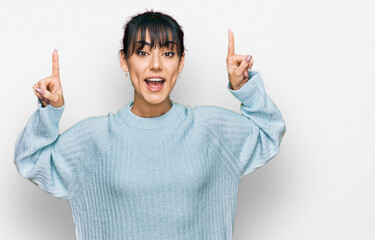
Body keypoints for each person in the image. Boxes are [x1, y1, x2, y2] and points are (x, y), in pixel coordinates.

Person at [14, 10, 286, 240]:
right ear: (124, 61)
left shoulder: (208, 129)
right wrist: (51, 109)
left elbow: (269, 130)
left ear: (180, 64)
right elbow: (31, 160)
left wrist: (244, 86)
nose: (156, 65)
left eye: (168, 54)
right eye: (142, 52)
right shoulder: (95, 138)